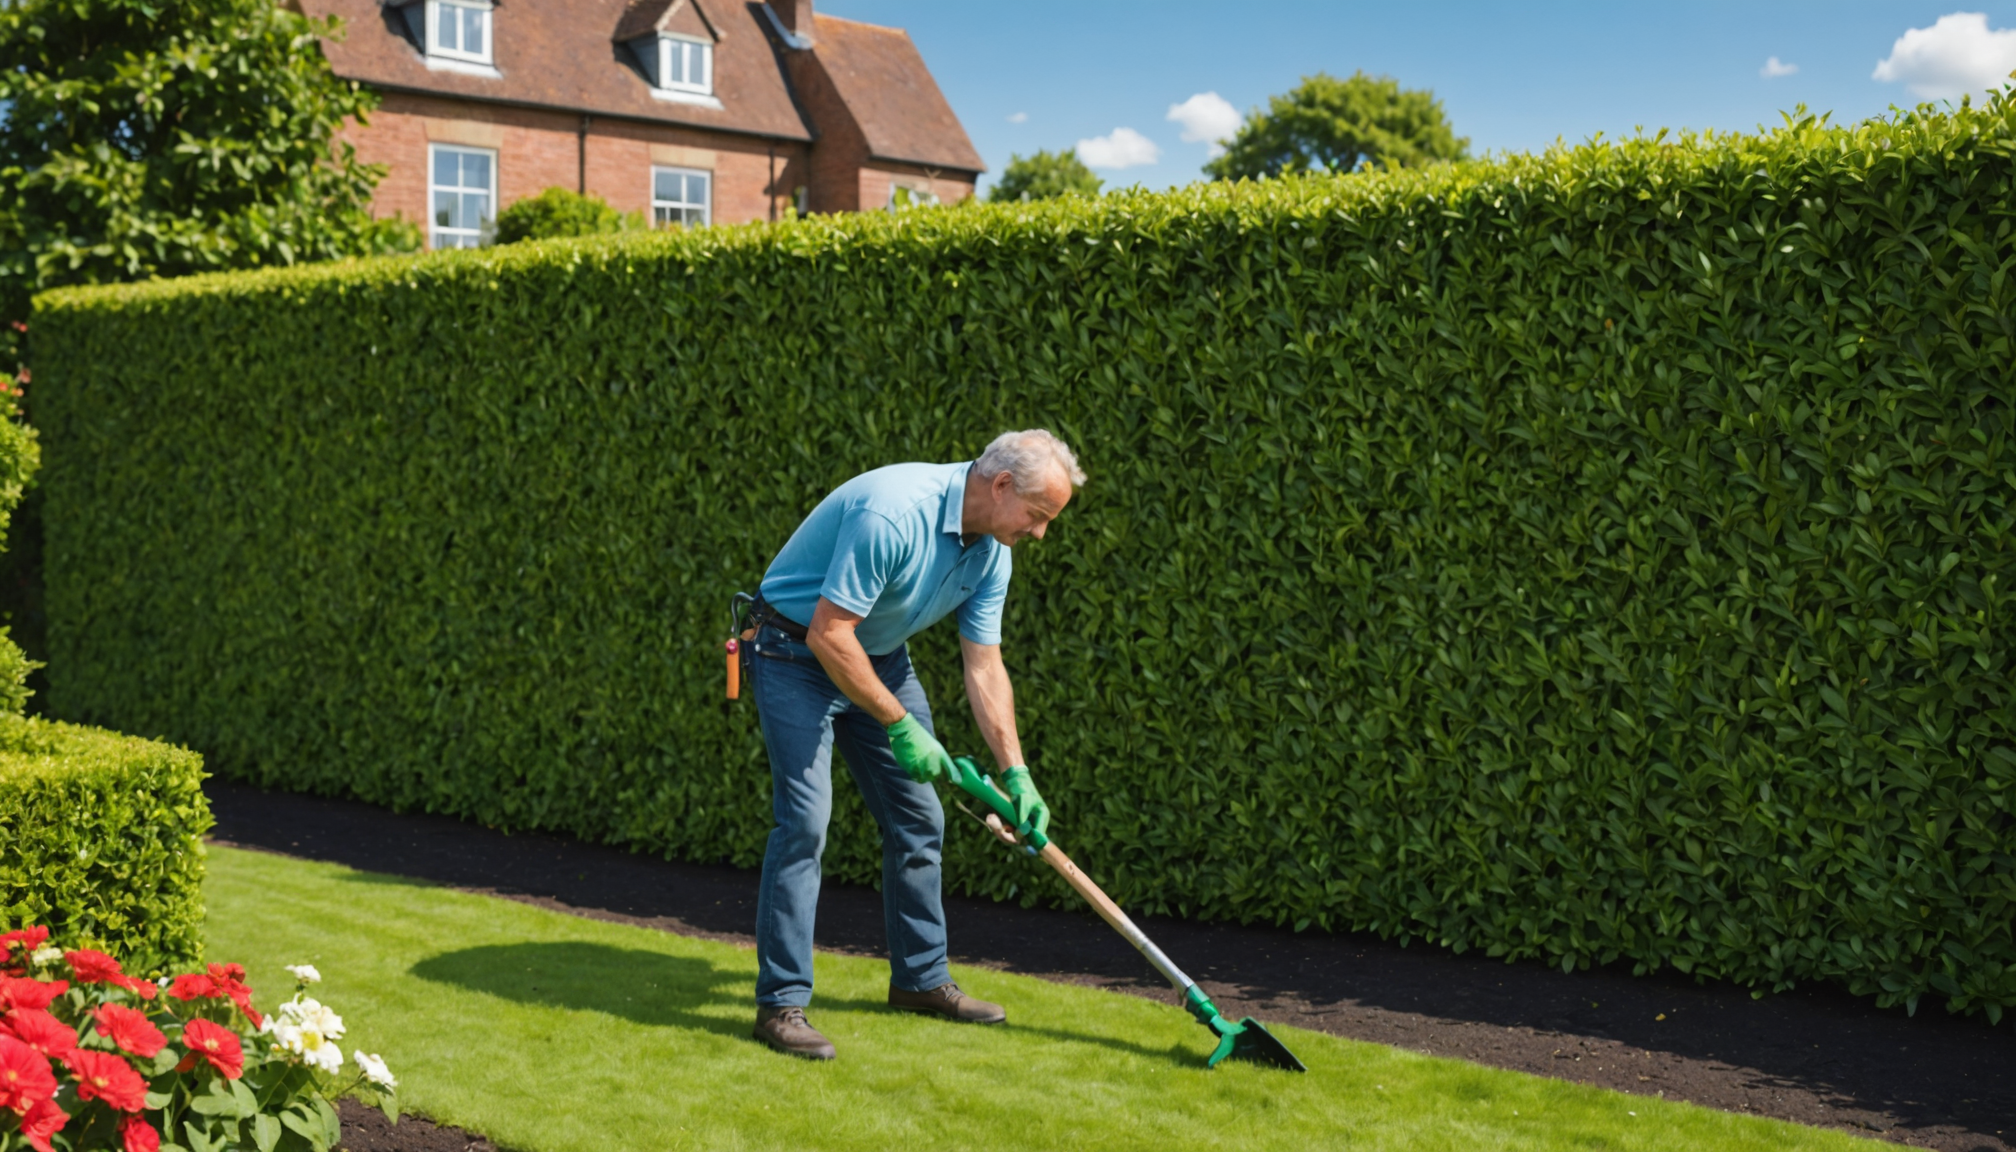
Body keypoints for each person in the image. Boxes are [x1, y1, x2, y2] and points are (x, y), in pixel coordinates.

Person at [740, 428, 1085, 1060]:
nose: (1040, 534)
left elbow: (984, 666)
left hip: (876, 658)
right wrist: (900, 724)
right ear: (1002, 485)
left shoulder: (991, 554)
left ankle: (921, 980)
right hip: (793, 651)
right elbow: (828, 632)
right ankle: (781, 1005)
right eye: (1038, 517)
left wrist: (1017, 774)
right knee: (805, 826)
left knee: (919, 820)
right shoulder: (893, 512)